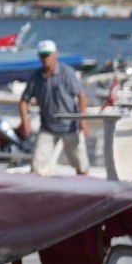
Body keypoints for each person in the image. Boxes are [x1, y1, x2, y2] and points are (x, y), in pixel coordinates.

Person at [19, 39, 90, 176]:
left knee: (82, 166)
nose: (46, 58)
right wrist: (25, 121)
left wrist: (83, 120)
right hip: (48, 128)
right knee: (35, 166)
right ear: (39, 57)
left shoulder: (66, 72)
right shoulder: (35, 77)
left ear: (55, 54)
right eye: (43, 55)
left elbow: (81, 96)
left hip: (70, 127)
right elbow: (23, 101)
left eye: (48, 55)